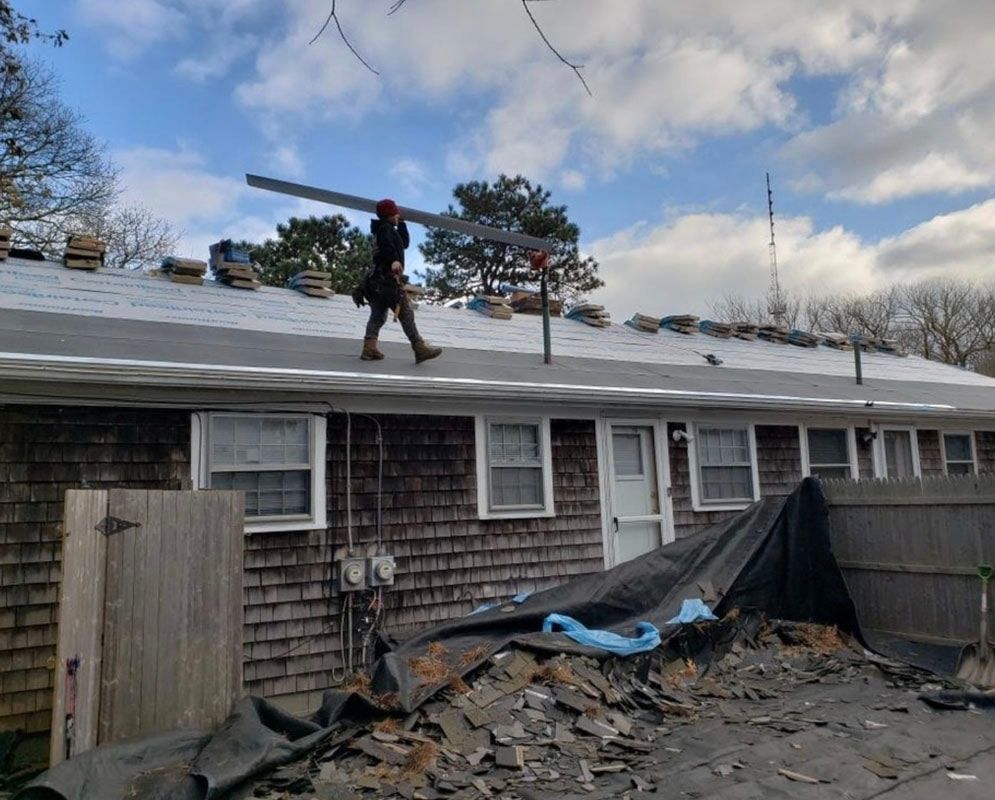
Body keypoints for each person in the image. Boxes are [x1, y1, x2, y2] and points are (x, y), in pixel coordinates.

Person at [358, 198, 442, 363]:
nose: (398, 215)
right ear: (389, 214)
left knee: (377, 316)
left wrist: (402, 223)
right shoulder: (385, 229)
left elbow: (403, 243)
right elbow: (387, 246)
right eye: (396, 213)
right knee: (406, 314)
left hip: (376, 282)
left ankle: (369, 348)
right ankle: (419, 348)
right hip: (387, 281)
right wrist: (393, 261)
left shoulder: (385, 229)